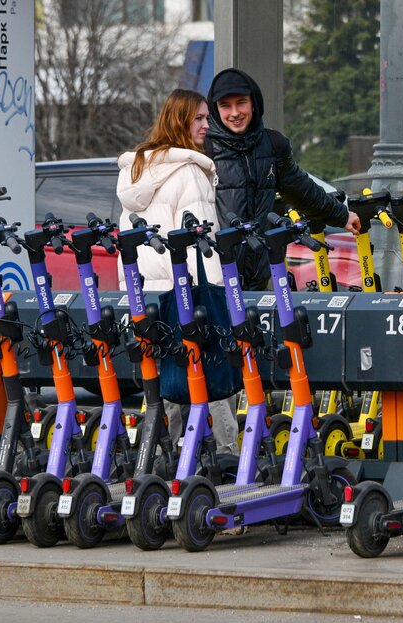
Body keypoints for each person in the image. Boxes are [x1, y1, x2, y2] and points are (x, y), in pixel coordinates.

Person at [115, 88, 238, 456]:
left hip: (148, 291)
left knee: (167, 378)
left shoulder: (137, 168)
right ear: (180, 120)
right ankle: (228, 454)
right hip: (188, 287)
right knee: (212, 370)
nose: (206, 125)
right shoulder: (191, 170)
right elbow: (203, 242)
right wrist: (220, 292)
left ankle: (167, 457)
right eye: (199, 118)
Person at [205, 68, 360, 290]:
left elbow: (301, 188)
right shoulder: (204, 149)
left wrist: (341, 214)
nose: (235, 112)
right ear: (215, 109)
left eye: (241, 103)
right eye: (225, 106)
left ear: (254, 103)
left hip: (261, 269)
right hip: (218, 274)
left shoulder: (273, 144)